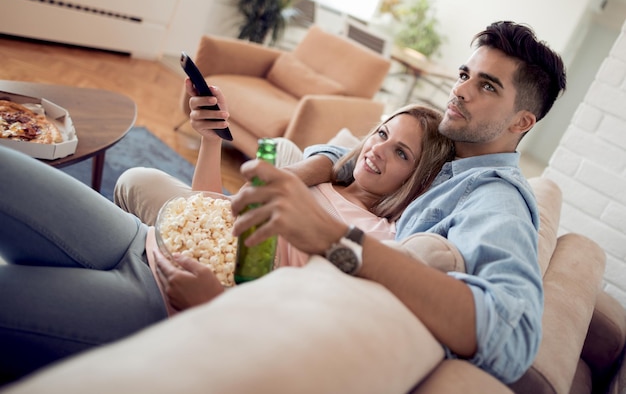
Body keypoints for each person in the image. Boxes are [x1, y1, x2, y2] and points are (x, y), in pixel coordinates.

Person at [0, 101, 452, 382]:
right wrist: (210, 142)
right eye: (382, 134)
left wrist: (214, 304)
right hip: (138, 238)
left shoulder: (374, 240)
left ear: (418, 178)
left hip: (162, 300)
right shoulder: (316, 175)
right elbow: (212, 211)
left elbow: (302, 322)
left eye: (401, 153)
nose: (378, 149)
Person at [224, 20, 567, 384]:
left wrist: (333, 238)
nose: (460, 91)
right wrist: (297, 175)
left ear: (522, 121)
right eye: (464, 74)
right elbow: (353, 155)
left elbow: (513, 338)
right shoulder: (456, 152)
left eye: (486, 86)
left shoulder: (496, 199)